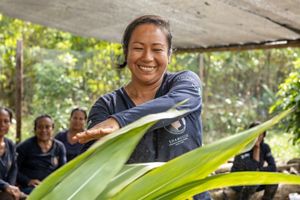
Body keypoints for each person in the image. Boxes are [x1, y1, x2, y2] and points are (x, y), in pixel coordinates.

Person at [74, 15, 210, 200]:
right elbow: (92, 167)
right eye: (138, 48)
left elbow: (178, 102)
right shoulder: (107, 105)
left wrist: (120, 122)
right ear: (126, 52)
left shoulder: (185, 83)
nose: (147, 57)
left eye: (157, 49)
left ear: (169, 54)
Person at [16, 114, 66, 194]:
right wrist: (28, 181)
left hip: (52, 187)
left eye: (47, 127)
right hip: (30, 188)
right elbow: (14, 170)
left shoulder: (59, 147)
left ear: (52, 129)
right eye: (40, 127)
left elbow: (63, 170)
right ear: (35, 129)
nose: (43, 130)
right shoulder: (24, 147)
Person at [231, 121, 278, 200]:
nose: (258, 137)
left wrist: (259, 170)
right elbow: (252, 170)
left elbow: (273, 167)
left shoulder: (265, 147)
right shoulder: (243, 148)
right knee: (254, 182)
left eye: (261, 134)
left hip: (254, 180)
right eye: (255, 134)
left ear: (264, 136)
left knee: (274, 180)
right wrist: (256, 148)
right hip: (239, 182)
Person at [0, 107, 25, 200]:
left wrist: (10, 186)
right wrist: (5, 186)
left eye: (6, 121)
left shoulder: (10, 144)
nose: (2, 124)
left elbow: (14, 168)